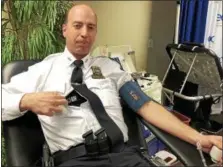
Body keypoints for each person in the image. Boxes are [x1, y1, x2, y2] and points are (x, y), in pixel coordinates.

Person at [2, 4, 222, 167]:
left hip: (124, 157)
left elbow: (145, 106)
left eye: (91, 27)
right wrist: (26, 100)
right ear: (65, 30)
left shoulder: (110, 69)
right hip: (76, 160)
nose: (84, 33)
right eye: (77, 26)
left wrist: (199, 138)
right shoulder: (42, 71)